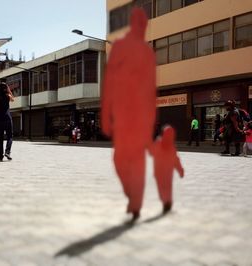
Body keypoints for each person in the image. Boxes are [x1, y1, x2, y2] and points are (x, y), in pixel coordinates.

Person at [101, 8, 156, 221]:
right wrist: (106, 115)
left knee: (138, 159)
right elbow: (110, 83)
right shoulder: (120, 47)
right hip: (123, 112)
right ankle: (130, 192)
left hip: (141, 114)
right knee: (119, 159)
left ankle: (136, 200)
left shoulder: (147, 52)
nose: (143, 28)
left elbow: (151, 89)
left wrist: (151, 121)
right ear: (134, 25)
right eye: (140, 24)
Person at [149, 126, 184, 214]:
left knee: (162, 187)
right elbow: (176, 160)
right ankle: (167, 201)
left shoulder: (158, 142)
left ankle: (166, 201)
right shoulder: (170, 146)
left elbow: (151, 153)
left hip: (159, 171)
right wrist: (180, 170)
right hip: (167, 172)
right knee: (167, 187)